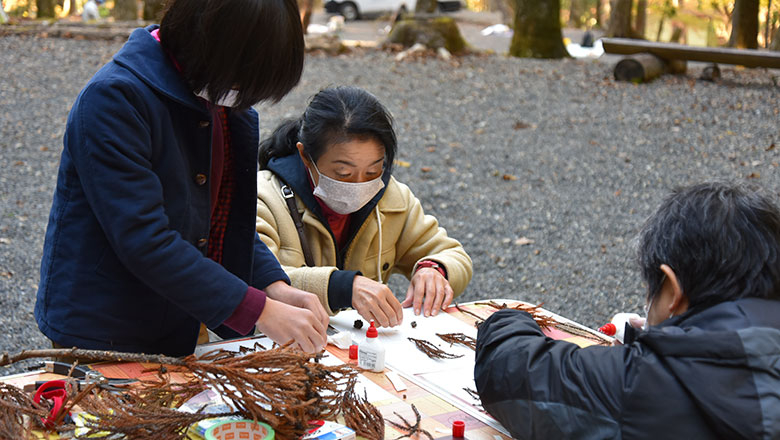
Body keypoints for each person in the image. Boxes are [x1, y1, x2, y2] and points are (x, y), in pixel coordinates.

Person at [35, 0, 330, 357]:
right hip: (102, 325)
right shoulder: (115, 99)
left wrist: (272, 286)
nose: (242, 93)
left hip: (173, 316)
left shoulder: (215, 99)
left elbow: (225, 219)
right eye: (241, 78)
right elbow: (145, 239)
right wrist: (261, 311)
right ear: (208, 41)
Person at [475, 182, 780, 439]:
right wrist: (660, 339)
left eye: (651, 289)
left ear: (673, 290)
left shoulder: (644, 383)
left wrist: (508, 318)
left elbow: (509, 372)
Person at [256, 86, 472, 327]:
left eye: (372, 171)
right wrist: (343, 288)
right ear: (305, 156)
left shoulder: (391, 198)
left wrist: (434, 270)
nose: (360, 185)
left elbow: (454, 255)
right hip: (277, 347)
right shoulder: (263, 198)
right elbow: (256, 281)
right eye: (343, 173)